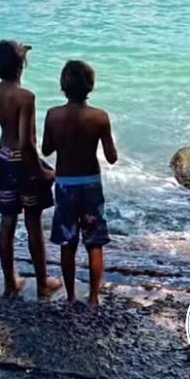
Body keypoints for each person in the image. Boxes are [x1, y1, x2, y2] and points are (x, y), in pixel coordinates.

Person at [0, 40, 62, 298]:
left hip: (3, 157)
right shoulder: (26, 97)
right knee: (33, 222)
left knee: (7, 221)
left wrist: (19, 54)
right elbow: (26, 143)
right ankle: (42, 282)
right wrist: (42, 172)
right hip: (24, 163)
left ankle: (10, 283)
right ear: (21, 66)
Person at [42, 60, 117, 307]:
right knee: (94, 243)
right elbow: (111, 157)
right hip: (91, 184)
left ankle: (71, 296)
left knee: (68, 243)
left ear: (63, 86)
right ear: (90, 85)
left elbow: (46, 149)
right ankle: (94, 297)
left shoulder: (53, 115)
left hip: (65, 184)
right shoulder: (100, 117)